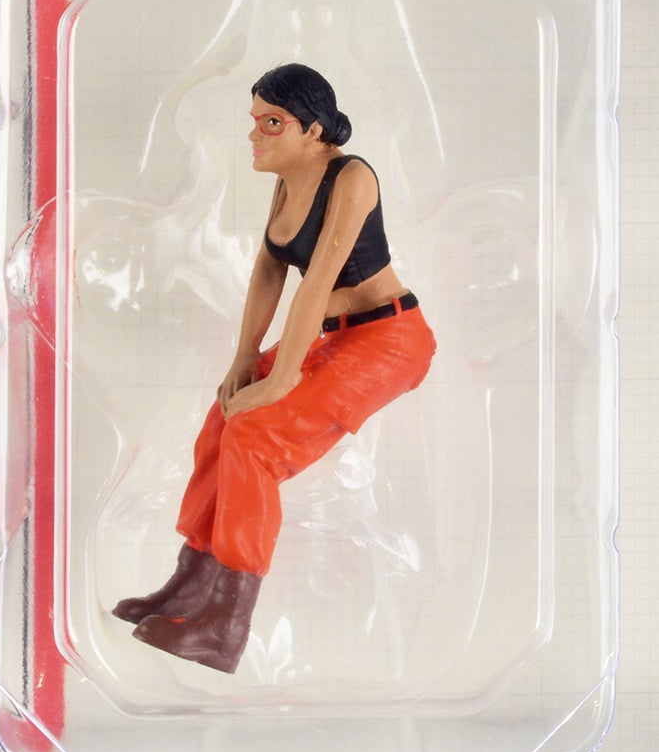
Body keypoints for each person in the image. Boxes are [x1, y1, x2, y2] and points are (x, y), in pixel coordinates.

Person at [116, 64, 435, 673]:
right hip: (337, 337)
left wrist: (282, 378)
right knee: (224, 417)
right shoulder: (288, 181)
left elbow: (316, 281)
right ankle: (190, 584)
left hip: (389, 341)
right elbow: (270, 268)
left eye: (272, 122)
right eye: (255, 120)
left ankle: (226, 625)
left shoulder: (352, 177)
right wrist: (245, 359)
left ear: (313, 129)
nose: (254, 134)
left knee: (256, 438)